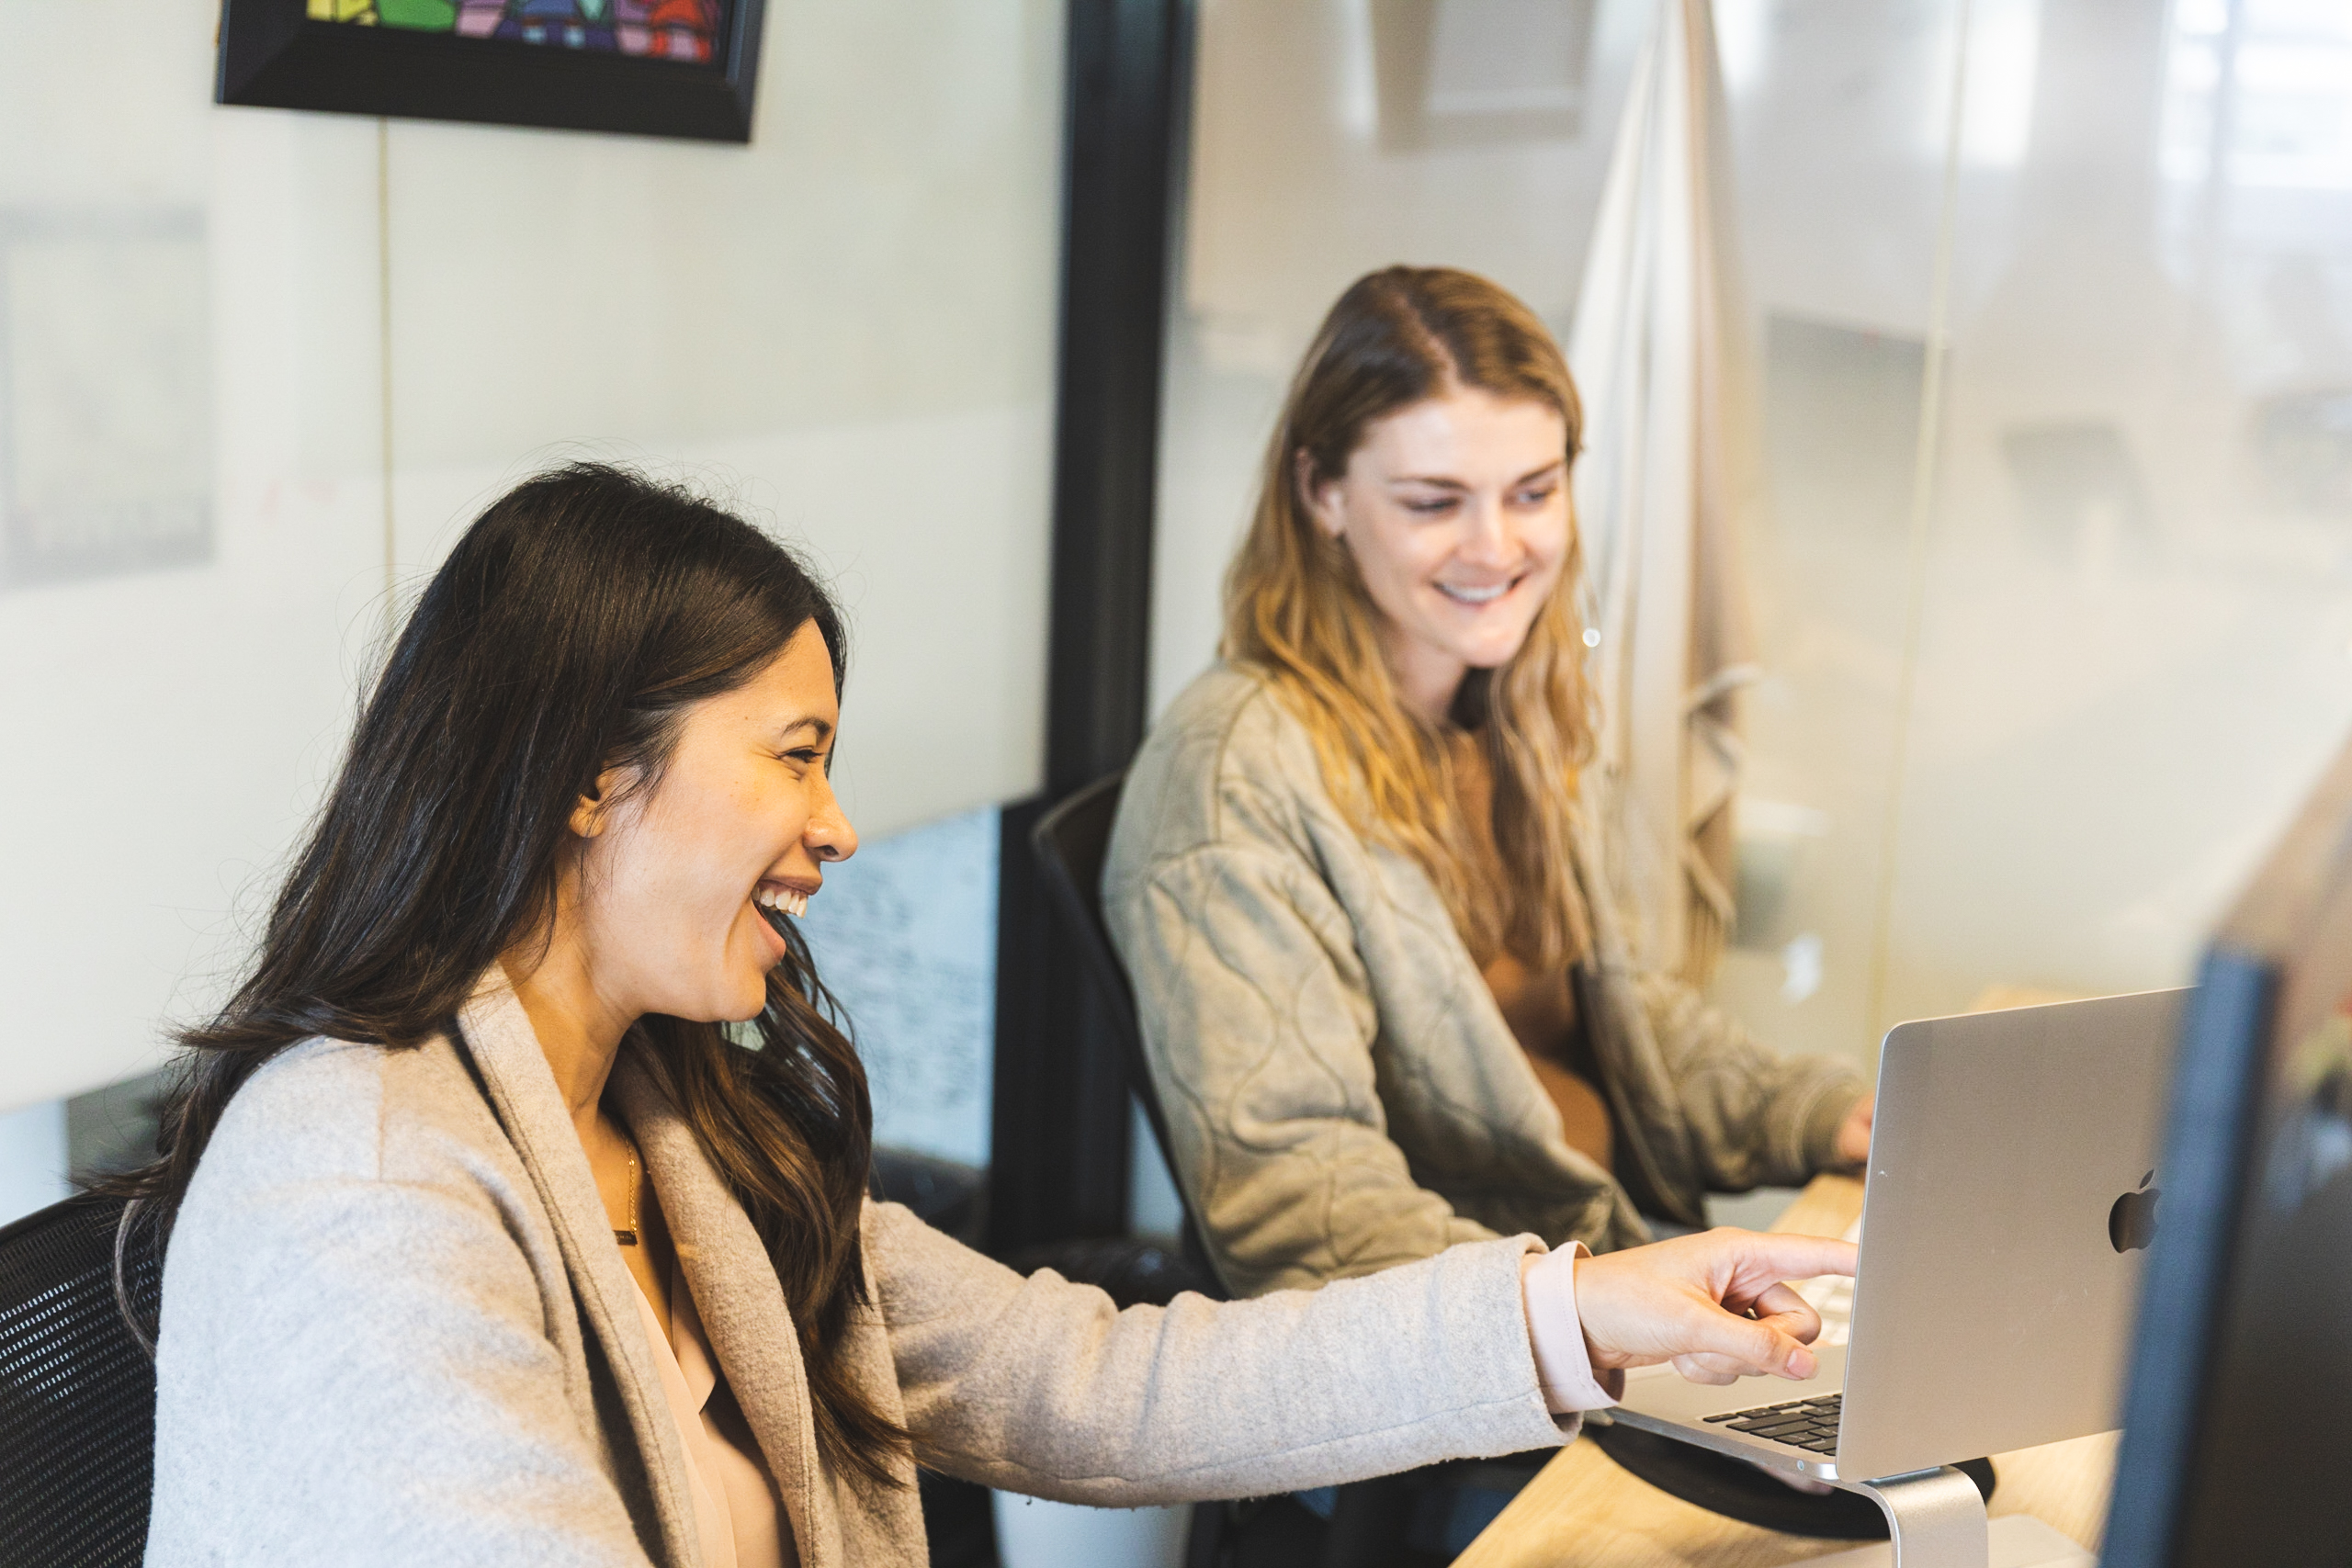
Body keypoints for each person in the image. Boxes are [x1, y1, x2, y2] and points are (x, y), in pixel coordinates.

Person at [121, 466, 1849, 1566]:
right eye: (794, 755)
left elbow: (1090, 1382)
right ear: (588, 775)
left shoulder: (679, 1127)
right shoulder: (358, 1182)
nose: (840, 826)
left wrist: (1590, 1316)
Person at [1105, 266, 1871, 1302]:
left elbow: (1617, 1026)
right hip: (1477, 1384)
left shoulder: (1505, 706)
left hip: (1603, 1281)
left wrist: (1820, 1113)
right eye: (1434, 503)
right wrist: (1596, 1315)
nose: (1497, 548)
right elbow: (1301, 1210)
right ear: (1321, 493)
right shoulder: (1233, 782)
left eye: (1532, 493)